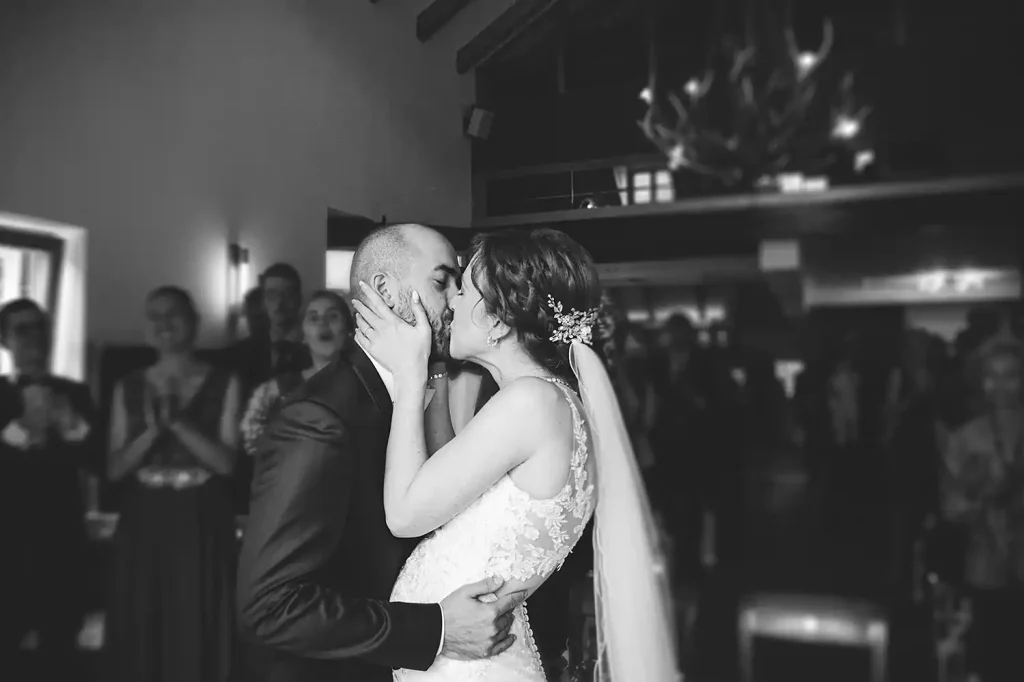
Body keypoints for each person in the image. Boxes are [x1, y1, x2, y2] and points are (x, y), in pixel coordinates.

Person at [352, 227, 679, 681]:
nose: (451, 302)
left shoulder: (530, 403)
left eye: (464, 290)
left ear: (498, 321)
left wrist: (410, 378)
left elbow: (404, 515)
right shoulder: (551, 403)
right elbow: (448, 489)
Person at [236, 224, 526, 682]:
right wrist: (436, 630)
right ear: (386, 292)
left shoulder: (411, 392)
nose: (457, 299)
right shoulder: (319, 419)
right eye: (442, 281)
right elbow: (270, 606)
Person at [106, 286, 241, 682]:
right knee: (143, 613)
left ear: (194, 322)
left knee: (195, 613)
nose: (164, 323)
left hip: (200, 513)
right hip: (143, 515)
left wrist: (178, 423)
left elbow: (227, 463)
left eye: (174, 314)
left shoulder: (225, 381)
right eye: (155, 316)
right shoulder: (128, 385)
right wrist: (152, 431)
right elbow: (114, 468)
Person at [0, 299, 99, 679]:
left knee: (60, 657)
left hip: (62, 548)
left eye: (40, 326)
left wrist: (71, 422)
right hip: (5, 549)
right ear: (5, 340)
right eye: (22, 329)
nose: (35, 336)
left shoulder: (76, 392)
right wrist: (24, 427)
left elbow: (102, 463)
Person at [941, 325, 1024, 682]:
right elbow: (950, 507)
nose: (1001, 386)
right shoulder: (966, 438)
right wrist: (981, 494)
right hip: (985, 568)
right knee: (990, 662)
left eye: (1011, 375)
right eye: (992, 376)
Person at [239, 290, 353, 454]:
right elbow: (252, 441)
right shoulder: (275, 391)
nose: (323, 324)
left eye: (333, 316)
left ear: (348, 329)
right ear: (303, 334)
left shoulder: (365, 386)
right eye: (313, 318)